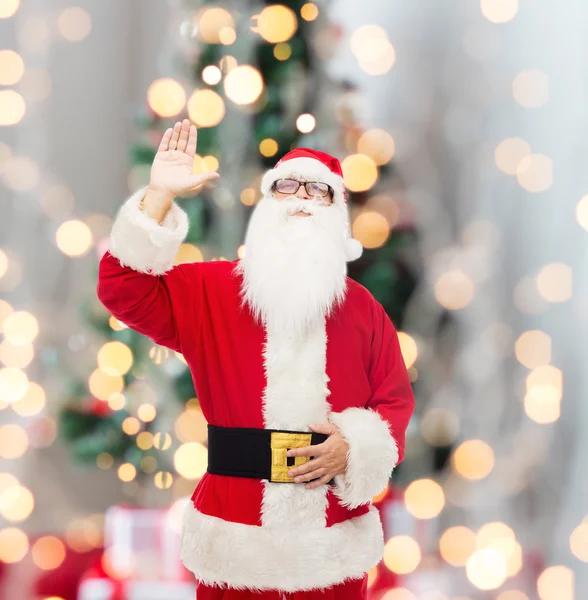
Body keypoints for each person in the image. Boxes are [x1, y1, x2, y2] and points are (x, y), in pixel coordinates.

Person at [97, 119, 415, 599]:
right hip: (233, 541)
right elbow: (122, 287)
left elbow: (394, 404)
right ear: (267, 207)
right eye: (287, 187)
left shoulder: (365, 311)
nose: (302, 199)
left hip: (330, 550)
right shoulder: (212, 291)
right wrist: (159, 195)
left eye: (318, 191)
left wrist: (353, 447)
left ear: (337, 215)